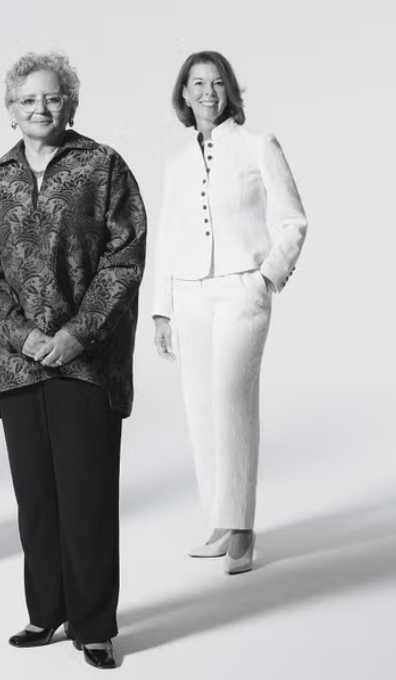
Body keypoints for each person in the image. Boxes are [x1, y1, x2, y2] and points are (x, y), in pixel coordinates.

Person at [0, 52, 146, 668]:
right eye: (27, 100)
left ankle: (94, 624)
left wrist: (75, 335)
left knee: (86, 495)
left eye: (53, 98)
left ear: (70, 102)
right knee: (36, 497)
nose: (41, 109)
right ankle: (47, 613)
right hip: (17, 366)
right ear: (10, 110)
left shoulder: (103, 167)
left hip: (86, 362)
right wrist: (19, 336)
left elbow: (124, 261)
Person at [151, 51, 307, 575]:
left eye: (217, 83)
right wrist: (162, 310)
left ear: (229, 91)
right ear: (184, 93)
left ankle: (242, 528)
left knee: (231, 400)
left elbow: (294, 220)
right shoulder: (175, 163)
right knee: (199, 406)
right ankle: (219, 520)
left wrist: (266, 277)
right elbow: (168, 238)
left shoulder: (258, 145)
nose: (207, 92)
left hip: (242, 288)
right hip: (190, 292)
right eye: (197, 84)